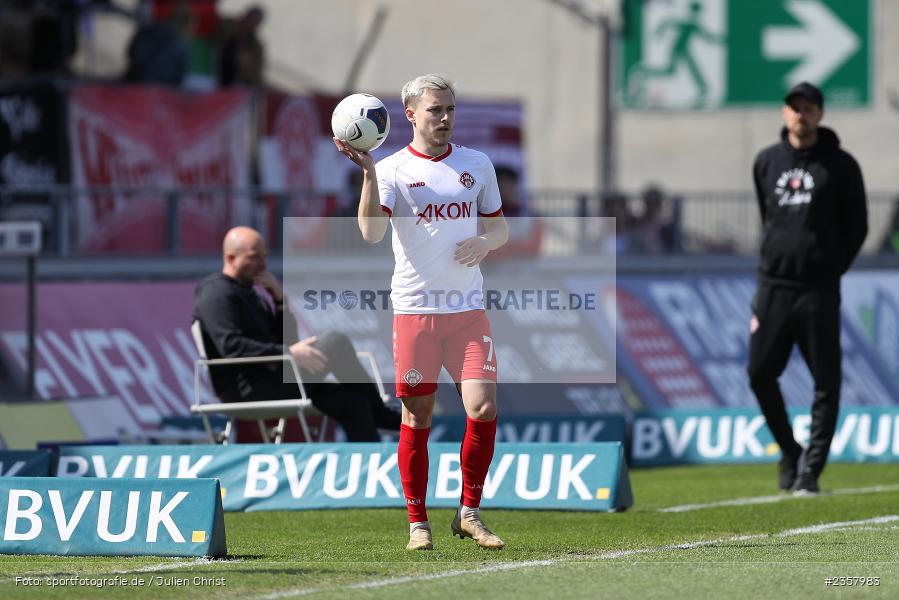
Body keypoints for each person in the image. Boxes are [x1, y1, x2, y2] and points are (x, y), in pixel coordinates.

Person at [334, 74, 509, 551]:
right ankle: (418, 523)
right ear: (410, 114)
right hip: (415, 311)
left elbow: (500, 231)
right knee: (418, 417)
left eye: (450, 108)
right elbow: (371, 234)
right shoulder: (390, 170)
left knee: (485, 407)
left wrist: (485, 241)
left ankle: (469, 512)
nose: (446, 117)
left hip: (469, 310)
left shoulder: (477, 164)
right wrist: (368, 175)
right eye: (435, 110)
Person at [748, 82, 867, 494]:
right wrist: (762, 289)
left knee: (825, 380)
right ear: (785, 113)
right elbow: (770, 219)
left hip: (818, 289)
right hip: (773, 287)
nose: (801, 114)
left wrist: (831, 269)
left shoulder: (841, 165)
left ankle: (810, 471)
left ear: (820, 114)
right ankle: (790, 450)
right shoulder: (767, 162)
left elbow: (858, 227)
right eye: (795, 107)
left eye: (809, 108)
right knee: (760, 373)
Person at [192, 226, 400, 442]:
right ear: (230, 257)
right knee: (334, 342)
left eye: (264, 257)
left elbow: (287, 339)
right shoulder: (216, 293)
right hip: (247, 388)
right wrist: (288, 352)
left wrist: (280, 301)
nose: (262, 265)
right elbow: (231, 347)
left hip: (273, 376)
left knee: (353, 399)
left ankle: (368, 464)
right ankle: (381, 413)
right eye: (254, 258)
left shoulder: (251, 294)